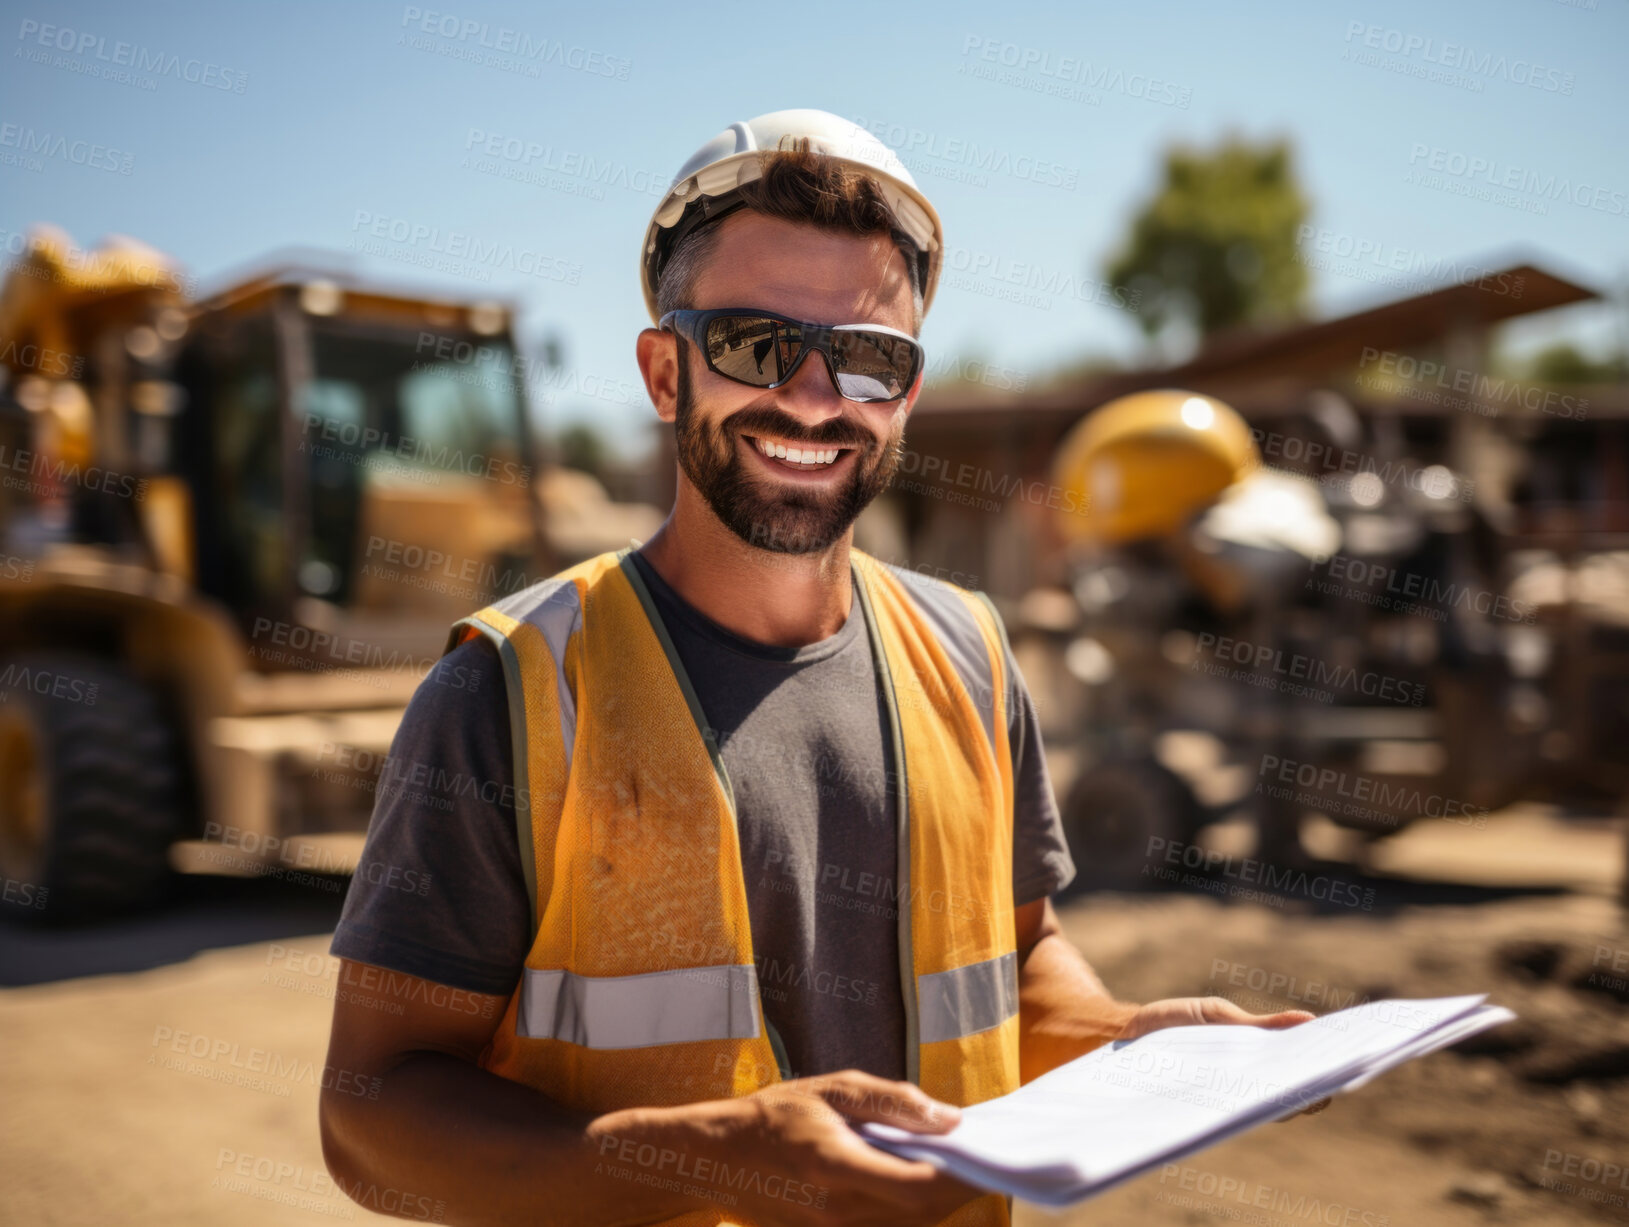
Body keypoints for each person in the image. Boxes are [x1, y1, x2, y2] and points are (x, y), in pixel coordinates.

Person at [318, 109, 1314, 1227]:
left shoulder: (973, 659)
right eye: (753, 344)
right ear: (662, 372)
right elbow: (371, 1117)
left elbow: (1018, 964)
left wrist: (1130, 1043)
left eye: (868, 360)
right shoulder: (512, 690)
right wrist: (712, 1155)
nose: (812, 396)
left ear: (908, 399)